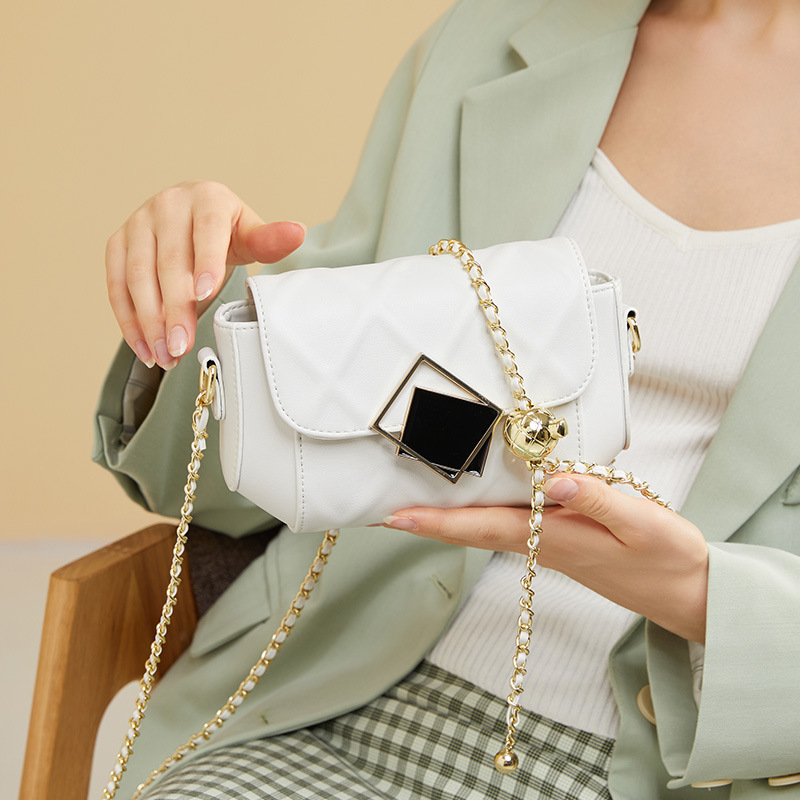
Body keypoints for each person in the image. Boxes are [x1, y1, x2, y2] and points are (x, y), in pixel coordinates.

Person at [95, 0, 800, 797]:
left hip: (688, 772)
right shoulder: (489, 35)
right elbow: (241, 482)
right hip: (325, 702)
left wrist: (703, 598)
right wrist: (190, 306)